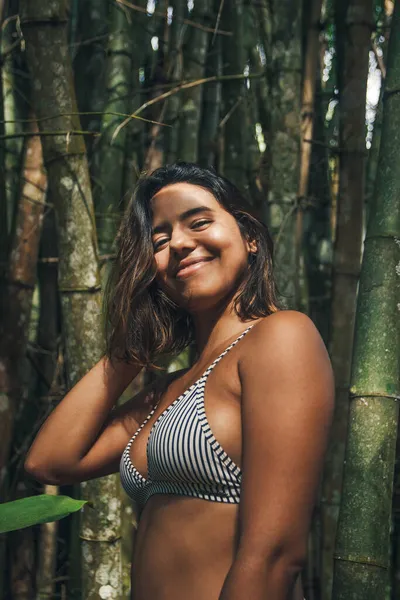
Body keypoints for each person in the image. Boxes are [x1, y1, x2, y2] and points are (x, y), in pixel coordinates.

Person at [25, 163, 335, 600]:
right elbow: (50, 461)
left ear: (249, 237)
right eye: (161, 239)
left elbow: (275, 555)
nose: (180, 244)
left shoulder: (280, 337)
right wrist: (131, 350)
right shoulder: (166, 391)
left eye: (199, 222)